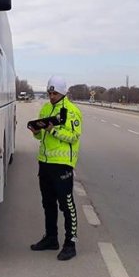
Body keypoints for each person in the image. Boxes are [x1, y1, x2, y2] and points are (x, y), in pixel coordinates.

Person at [29, 75, 83, 261]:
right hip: (44, 163)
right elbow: (40, 137)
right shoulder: (45, 108)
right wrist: (37, 131)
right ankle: (51, 238)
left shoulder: (71, 111)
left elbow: (74, 136)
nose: (51, 96)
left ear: (63, 92)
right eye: (50, 93)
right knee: (48, 203)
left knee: (67, 205)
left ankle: (71, 243)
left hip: (62, 166)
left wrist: (54, 130)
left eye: (55, 93)